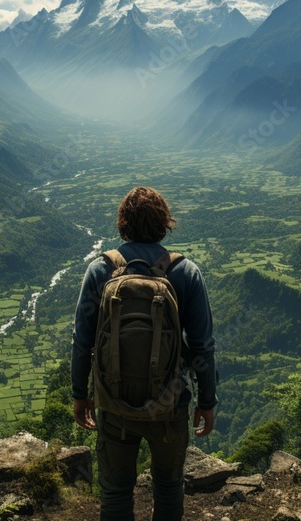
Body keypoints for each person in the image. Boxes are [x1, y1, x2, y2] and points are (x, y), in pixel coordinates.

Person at [71, 186, 218, 521]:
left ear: (122, 223)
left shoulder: (100, 270)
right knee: (168, 489)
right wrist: (207, 401)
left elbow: (82, 341)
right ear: (165, 223)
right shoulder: (185, 272)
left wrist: (80, 394)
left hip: (115, 403)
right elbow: (202, 347)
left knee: (116, 493)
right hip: (170, 405)